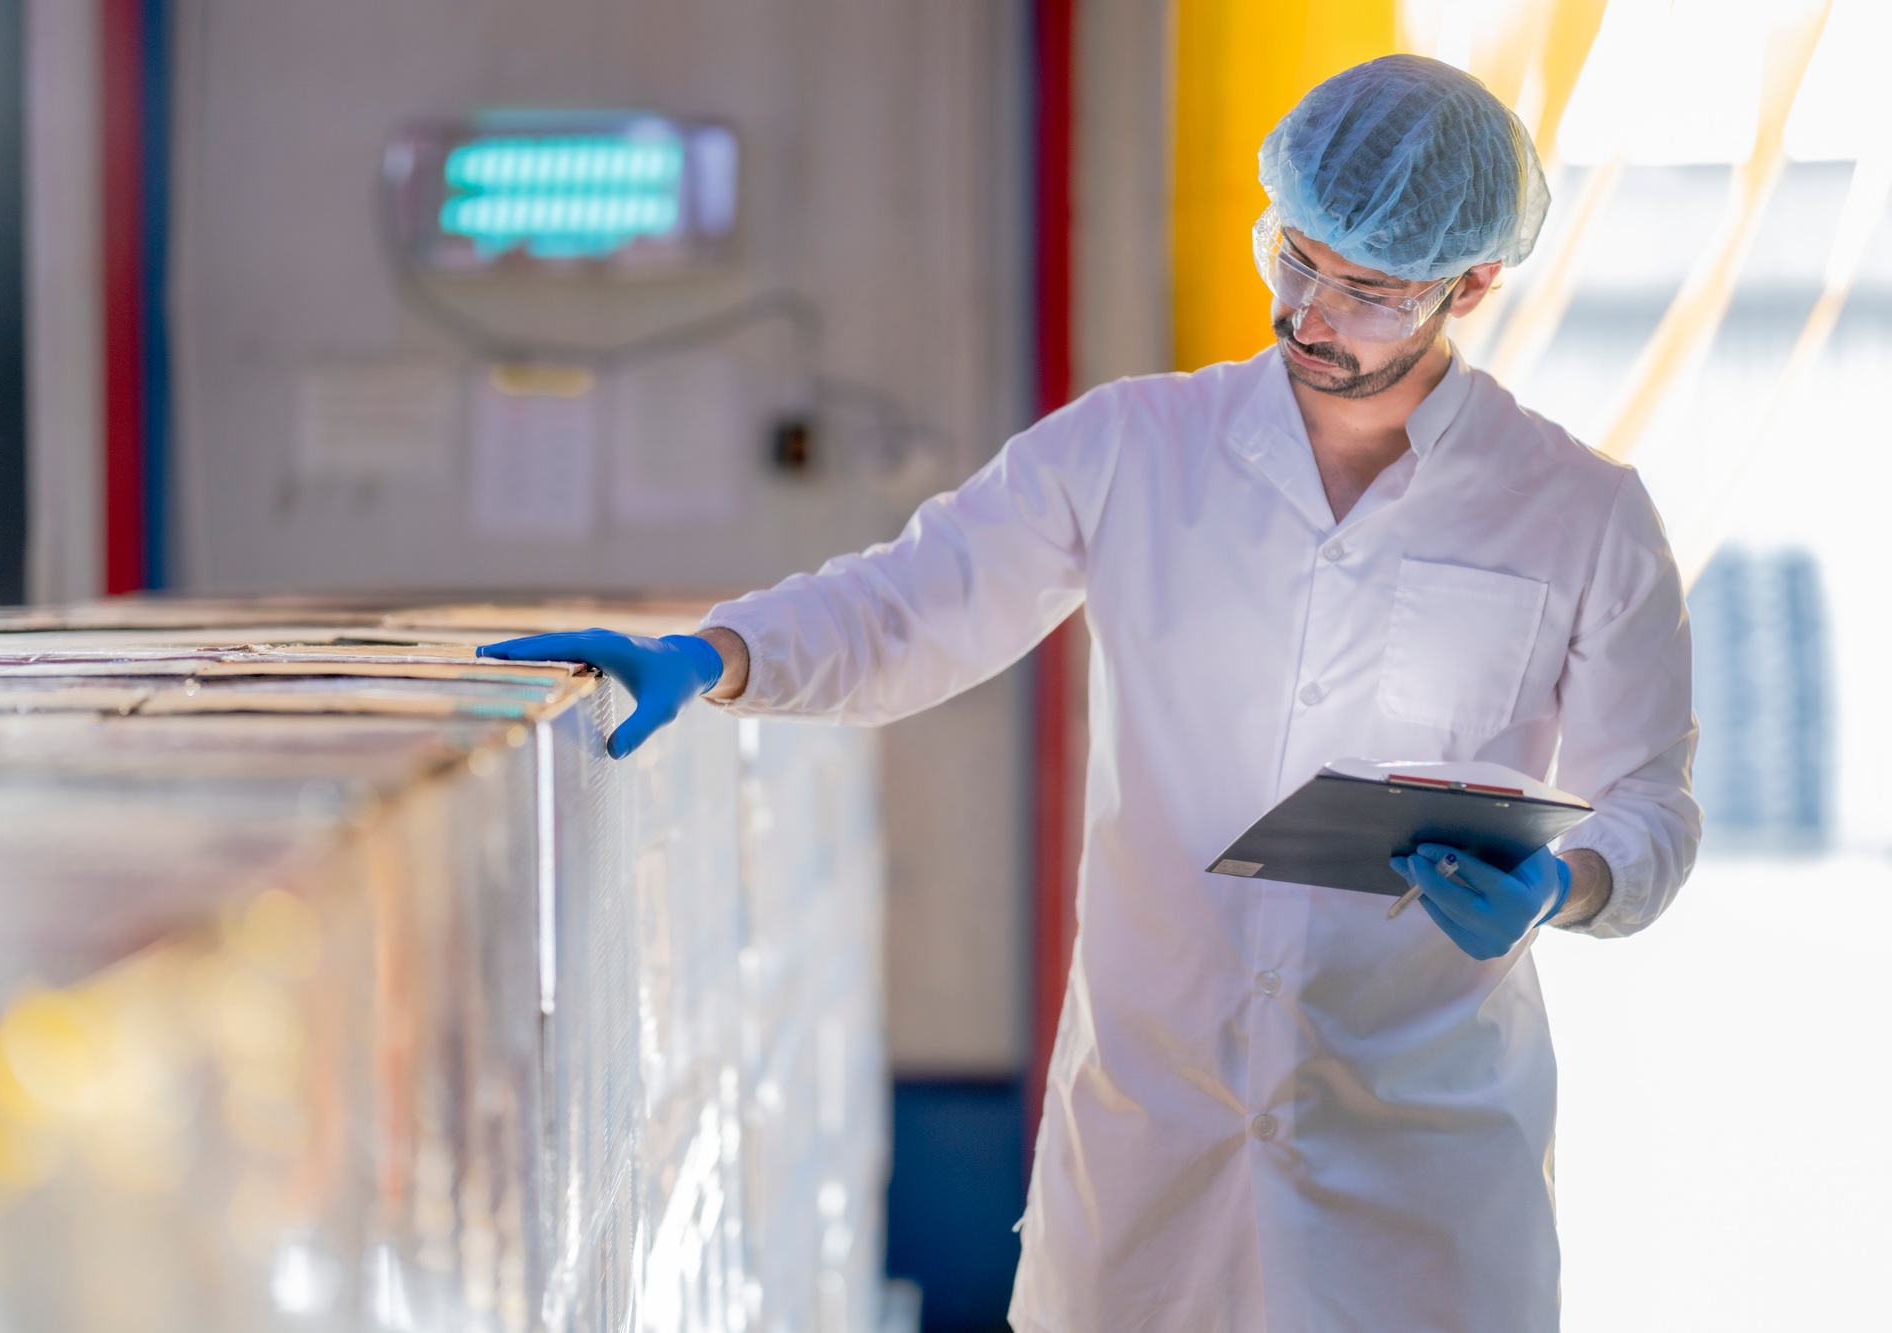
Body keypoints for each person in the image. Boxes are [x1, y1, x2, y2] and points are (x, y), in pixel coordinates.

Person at [482, 54, 1699, 1333]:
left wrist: (1565, 883)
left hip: (1423, 1169)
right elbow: (909, 603)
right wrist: (715, 653)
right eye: (1293, 258)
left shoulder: (1579, 512)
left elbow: (1647, 804)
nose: (1309, 315)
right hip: (1150, 1143)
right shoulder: (1132, 447)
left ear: (1473, 285)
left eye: (1367, 290)